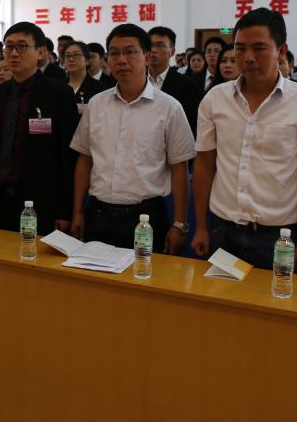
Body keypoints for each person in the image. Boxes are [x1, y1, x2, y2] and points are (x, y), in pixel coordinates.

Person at [191, 8, 297, 270]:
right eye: (240, 48)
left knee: (274, 296)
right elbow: (204, 163)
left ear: (281, 50)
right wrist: (201, 226)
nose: (247, 57)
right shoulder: (215, 99)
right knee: (221, 295)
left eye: (259, 48)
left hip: (279, 236)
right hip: (224, 230)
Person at [71, 24, 195, 252]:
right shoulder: (96, 104)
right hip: (98, 214)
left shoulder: (169, 108)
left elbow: (180, 168)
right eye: (114, 53)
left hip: (146, 219)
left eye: (130, 52)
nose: (121, 60)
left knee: (144, 274)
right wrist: (77, 211)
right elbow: (85, 159)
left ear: (147, 58)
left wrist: (180, 224)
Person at [0, 22, 77, 235]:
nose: (13, 53)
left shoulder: (59, 94)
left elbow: (67, 157)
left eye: (22, 46)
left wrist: (64, 210)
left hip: (40, 202)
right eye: (8, 47)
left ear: (40, 52)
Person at [148, 26, 201, 135]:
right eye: (150, 45)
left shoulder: (186, 85)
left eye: (160, 45)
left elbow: (191, 124)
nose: (153, 50)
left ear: (172, 51)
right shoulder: (135, 81)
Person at [64, 41, 107, 111]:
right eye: (67, 56)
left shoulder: (99, 88)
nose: (71, 59)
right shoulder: (57, 86)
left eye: (76, 55)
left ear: (87, 60)